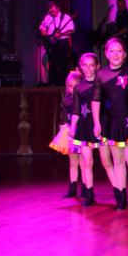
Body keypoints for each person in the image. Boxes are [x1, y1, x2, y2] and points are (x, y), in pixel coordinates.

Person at [93, 38, 128, 211]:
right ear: (106, 54)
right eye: (112, 51)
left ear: (125, 54)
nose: (116, 54)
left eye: (119, 51)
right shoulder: (101, 74)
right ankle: (121, 198)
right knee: (118, 160)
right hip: (111, 122)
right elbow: (96, 100)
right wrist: (96, 122)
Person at [70, 53, 115, 207]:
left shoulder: (102, 85)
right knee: (87, 162)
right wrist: (73, 126)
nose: (88, 68)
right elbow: (76, 110)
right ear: (80, 67)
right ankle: (89, 194)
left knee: (106, 161)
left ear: (97, 67)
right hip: (84, 128)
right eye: (85, 65)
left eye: (91, 65)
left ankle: (119, 193)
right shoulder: (78, 88)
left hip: (100, 127)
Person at [50, 70, 83, 198]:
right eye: (70, 86)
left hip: (82, 132)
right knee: (73, 161)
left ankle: (86, 187)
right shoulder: (67, 100)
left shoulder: (83, 100)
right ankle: (73, 187)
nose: (72, 89)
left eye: (75, 86)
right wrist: (62, 125)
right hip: (70, 132)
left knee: (84, 162)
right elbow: (64, 114)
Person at [39, 1, 76, 86]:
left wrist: (61, 34)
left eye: (52, 9)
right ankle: (52, 82)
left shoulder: (65, 17)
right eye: (49, 9)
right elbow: (42, 28)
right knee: (52, 62)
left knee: (63, 62)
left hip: (63, 41)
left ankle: (63, 83)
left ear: (58, 8)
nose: (50, 11)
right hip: (52, 42)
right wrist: (46, 34)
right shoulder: (47, 17)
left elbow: (72, 30)